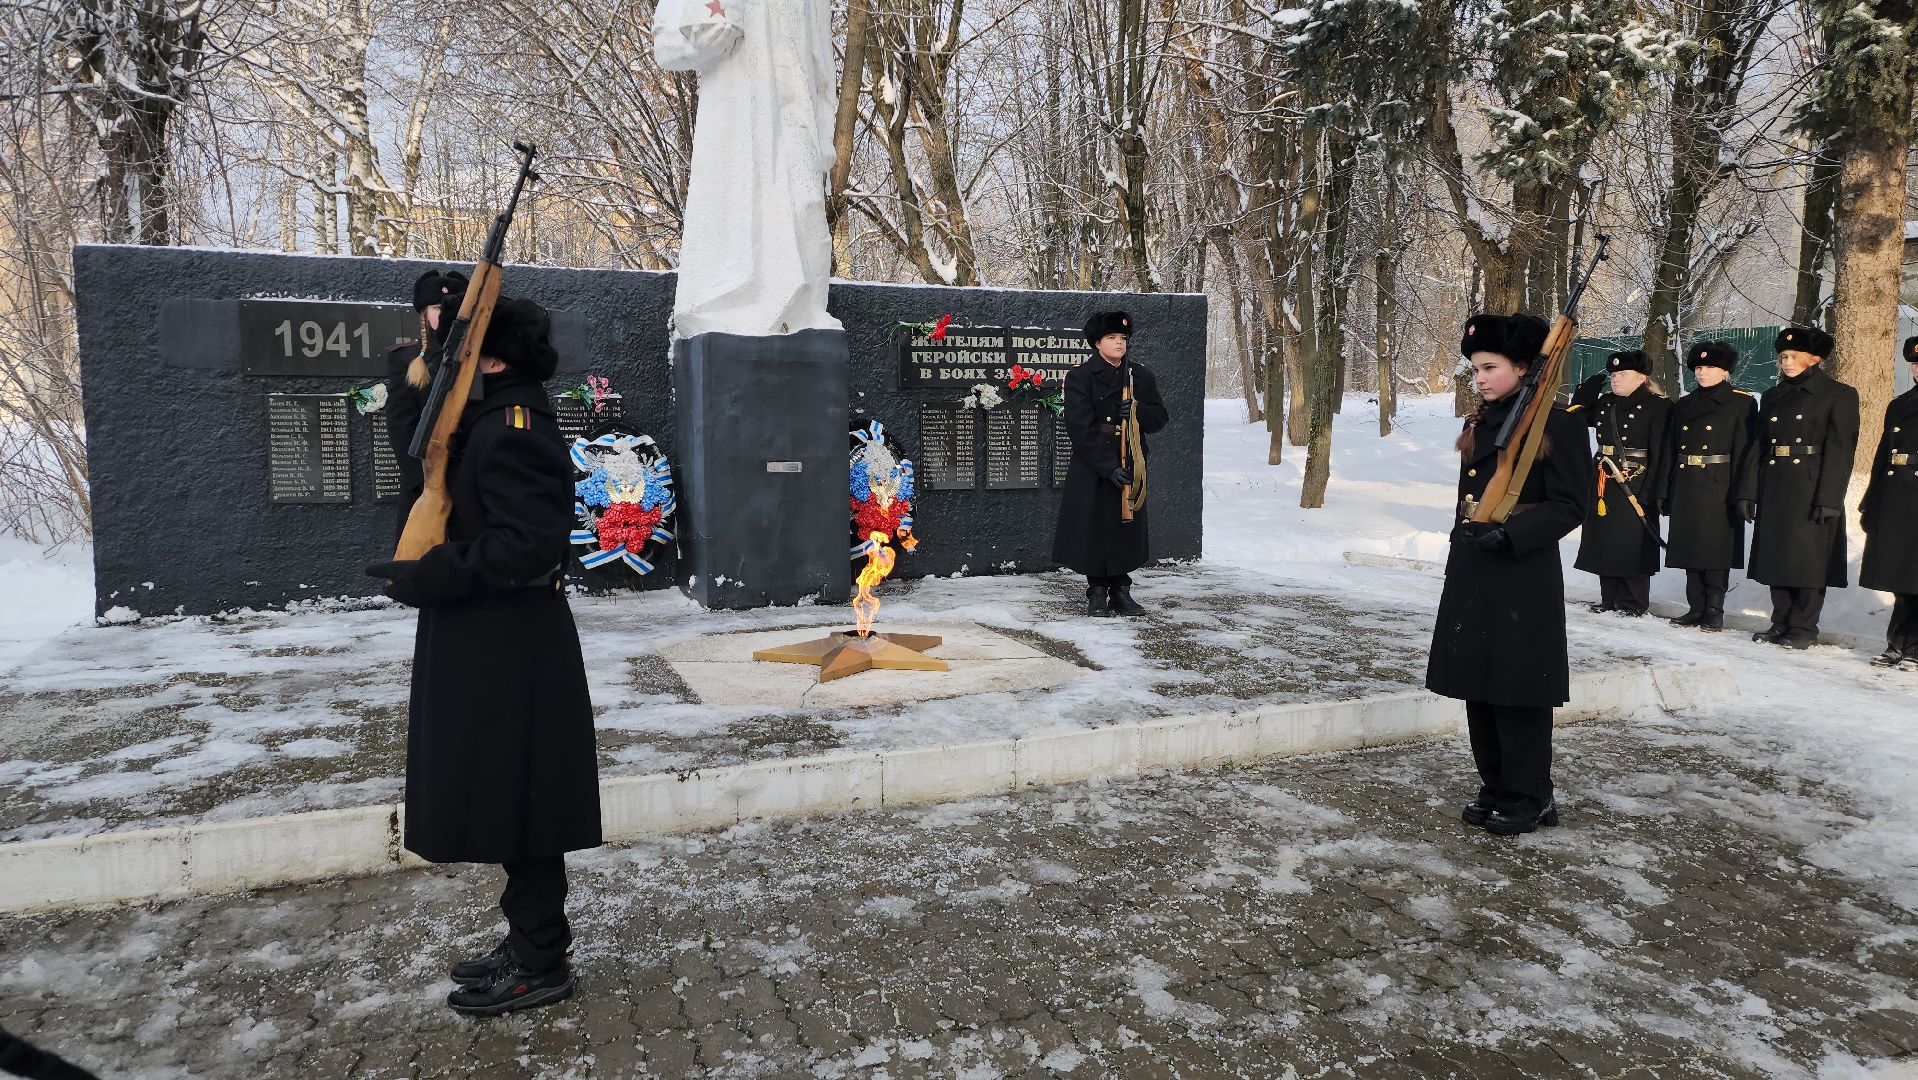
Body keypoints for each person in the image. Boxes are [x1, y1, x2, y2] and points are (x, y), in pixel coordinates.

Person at [366, 298, 602, 1017]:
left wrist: (430, 576)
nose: (455, 364)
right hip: (489, 638)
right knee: (508, 797)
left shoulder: (511, 428)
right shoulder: (485, 418)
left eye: (466, 353)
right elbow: (424, 475)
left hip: (510, 644)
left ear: (493, 361)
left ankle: (541, 959)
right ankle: (534, 939)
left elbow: (528, 546)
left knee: (520, 799)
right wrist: (418, 362)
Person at [1427, 313, 1593, 836]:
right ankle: (1496, 783)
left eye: (1490, 368)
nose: (1479, 378)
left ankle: (1530, 794)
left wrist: (1512, 535)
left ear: (1524, 367)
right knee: (1479, 682)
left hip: (1522, 570)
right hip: (1474, 564)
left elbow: (1571, 504)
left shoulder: (1558, 423)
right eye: (1476, 369)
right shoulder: (1483, 420)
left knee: (1518, 686)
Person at [1737, 325, 1859, 649]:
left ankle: (1803, 628)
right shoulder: (1773, 396)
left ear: (1814, 358)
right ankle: (1780, 623)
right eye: (1782, 357)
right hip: (1775, 485)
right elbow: (1758, 446)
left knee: (1807, 561)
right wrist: (1748, 491)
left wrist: (1829, 498)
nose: (1786, 362)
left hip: (1811, 487)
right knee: (1777, 557)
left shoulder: (1839, 394)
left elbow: (1840, 450)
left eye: (1793, 356)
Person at [1052, 310, 1169, 617]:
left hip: (1131, 459)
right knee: (1094, 528)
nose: (1119, 343)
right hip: (1094, 463)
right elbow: (1079, 427)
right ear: (1097, 343)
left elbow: (1159, 419)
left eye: (1123, 338)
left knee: (1125, 527)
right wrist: (1107, 467)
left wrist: (1138, 411)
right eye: (1111, 337)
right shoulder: (1080, 377)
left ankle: (1120, 591)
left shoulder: (1140, 376)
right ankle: (1097, 591)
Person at [1660, 340, 1758, 629]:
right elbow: (1670, 448)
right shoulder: (1684, 404)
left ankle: (1714, 608)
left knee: (1715, 549)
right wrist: (1664, 489)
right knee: (1689, 546)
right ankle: (1696, 606)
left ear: (1725, 371)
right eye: (1699, 367)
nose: (1702, 372)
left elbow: (1746, 451)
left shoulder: (1741, 402)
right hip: (1686, 482)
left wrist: (1745, 492)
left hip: (1720, 485)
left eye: (1710, 367)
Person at [1573, 349, 1670, 615]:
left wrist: (1654, 490)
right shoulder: (1606, 402)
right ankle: (1609, 599)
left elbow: (1661, 453)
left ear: (1642, 377)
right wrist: (1586, 391)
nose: (1616, 379)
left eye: (1623, 374)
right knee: (1605, 539)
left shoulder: (1658, 406)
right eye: (1613, 374)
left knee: (1632, 541)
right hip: (1603, 478)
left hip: (1636, 481)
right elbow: (1576, 416)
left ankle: (1633, 602)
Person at [385, 269, 468, 543]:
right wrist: (425, 484)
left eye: (451, 306)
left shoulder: (477, 358)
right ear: (425, 313)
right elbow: (401, 426)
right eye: (437, 307)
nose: (444, 313)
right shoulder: (407, 359)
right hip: (425, 481)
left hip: (470, 478)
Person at [1859, 335, 1918, 668]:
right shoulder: (1899, 404)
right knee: (1901, 575)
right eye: (1915, 364)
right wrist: (1871, 500)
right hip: (1896, 497)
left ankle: (1914, 646)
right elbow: (1883, 456)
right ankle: (1897, 643)